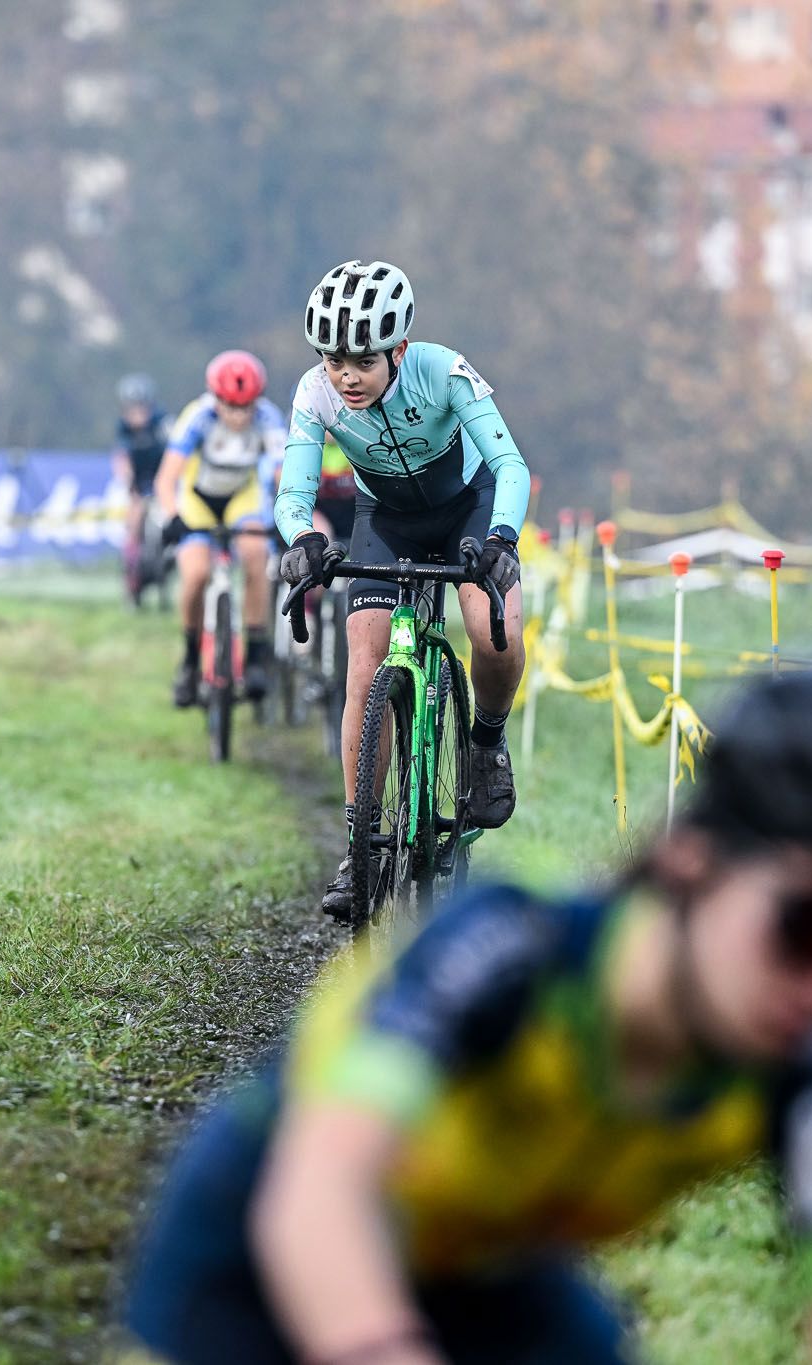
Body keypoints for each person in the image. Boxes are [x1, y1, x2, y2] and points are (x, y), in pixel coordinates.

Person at [122, 672, 812, 1365]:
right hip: (273, 1228)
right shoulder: (507, 951)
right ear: (692, 861)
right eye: (809, 927)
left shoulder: (809, 1081)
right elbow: (318, 1197)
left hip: (483, 1270)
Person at [274, 260, 530, 921]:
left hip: (467, 512)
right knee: (365, 668)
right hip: (383, 522)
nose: (346, 374)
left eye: (361, 358)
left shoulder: (443, 371)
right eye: (333, 358)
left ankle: (486, 743)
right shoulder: (314, 393)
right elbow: (294, 493)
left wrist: (501, 538)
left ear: (399, 349)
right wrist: (300, 538)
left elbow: (509, 465)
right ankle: (358, 842)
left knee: (494, 633)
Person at [157, 351, 288, 706]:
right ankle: (189, 660)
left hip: (240, 497)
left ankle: (256, 652)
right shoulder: (197, 417)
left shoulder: (268, 418)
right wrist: (172, 518)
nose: (238, 415)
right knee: (196, 574)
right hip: (198, 498)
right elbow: (167, 479)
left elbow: (280, 475)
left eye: (245, 407)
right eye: (230, 406)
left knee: (255, 554)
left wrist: (284, 515)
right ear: (216, 399)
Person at [114, 374, 170, 603]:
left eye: (142, 408)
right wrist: (127, 479)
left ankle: (168, 563)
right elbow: (122, 458)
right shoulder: (124, 429)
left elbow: (173, 453)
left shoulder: (161, 423)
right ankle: (131, 572)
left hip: (161, 480)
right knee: (135, 519)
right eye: (132, 409)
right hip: (138, 483)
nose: (137, 414)